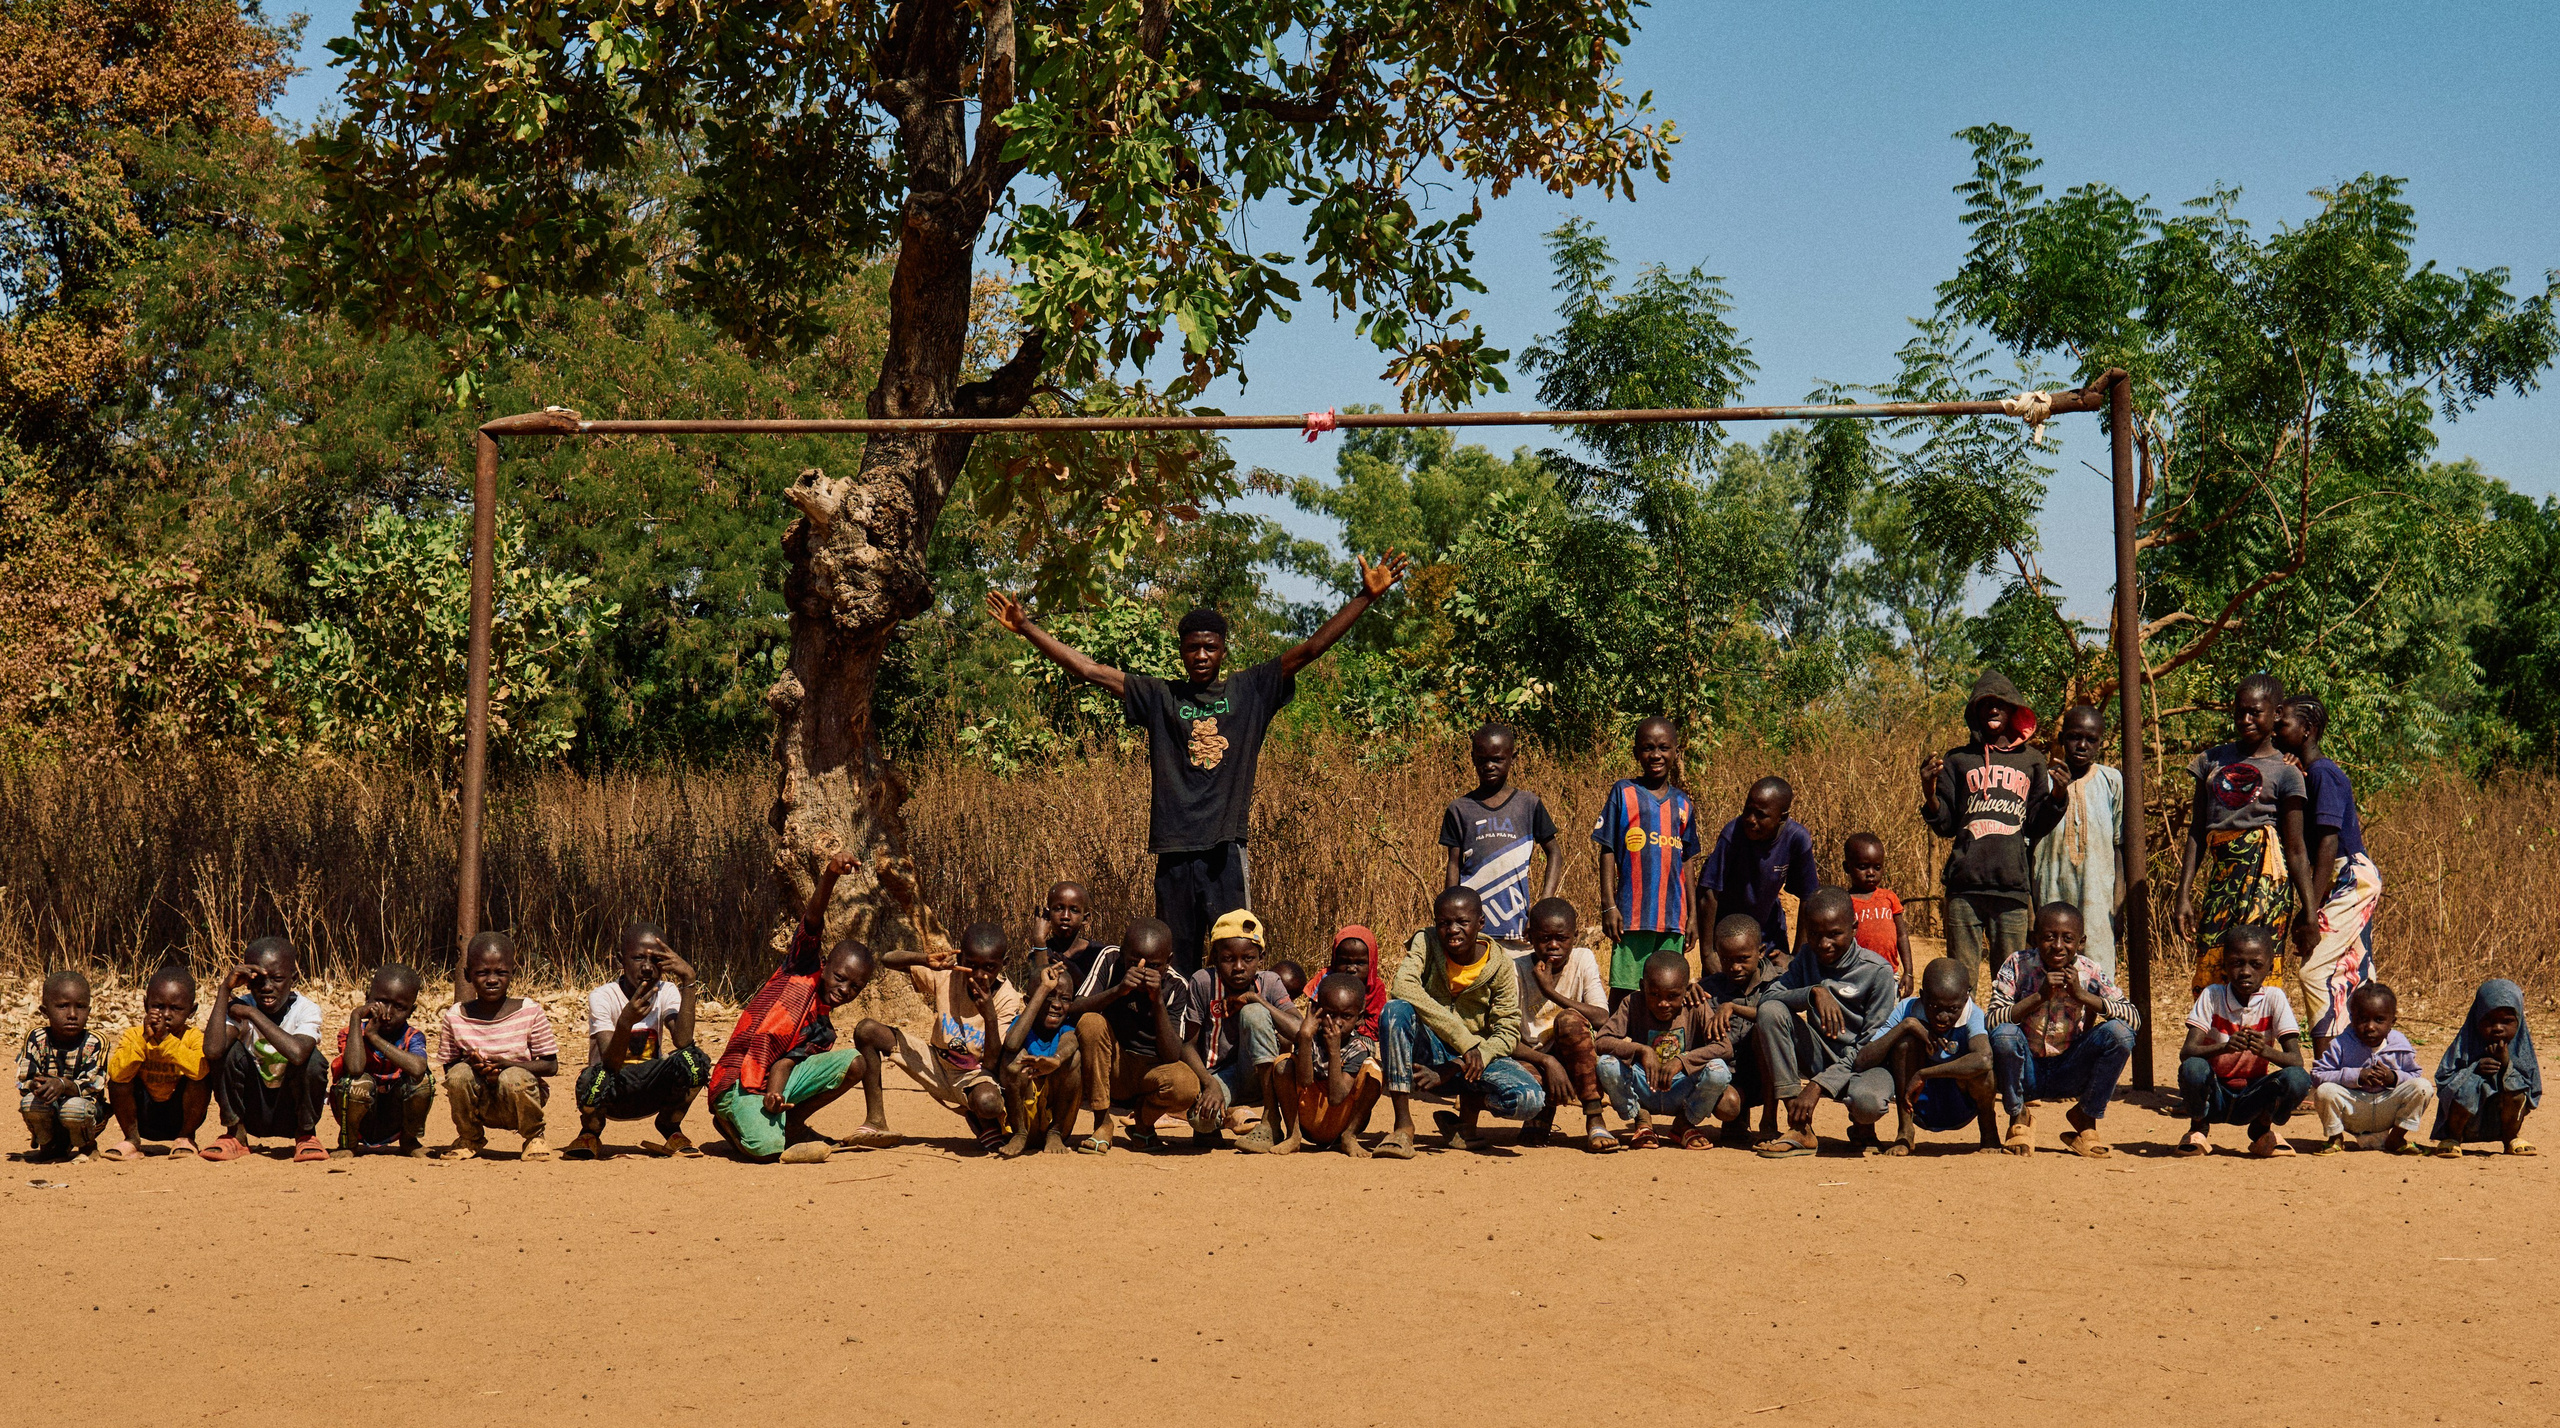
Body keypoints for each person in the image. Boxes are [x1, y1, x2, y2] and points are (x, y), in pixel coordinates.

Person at [986, 551, 1410, 976]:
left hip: (1224, 848)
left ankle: (1232, 1038)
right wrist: (1026, 627)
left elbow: (1311, 648)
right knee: (1175, 960)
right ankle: (1183, 1035)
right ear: (1182, 652)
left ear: (1224, 650)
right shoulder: (1161, 696)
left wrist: (1364, 598)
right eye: (1193, 648)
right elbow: (1092, 670)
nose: (1202, 655)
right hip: (1173, 849)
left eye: (1210, 646)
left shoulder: (1250, 691)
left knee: (1236, 953)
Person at [708, 850, 893, 1163]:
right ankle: (730, 1120)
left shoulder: (824, 1030)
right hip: (739, 1081)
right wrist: (831, 875)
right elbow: (812, 921)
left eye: (855, 987)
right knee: (767, 1150)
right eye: (840, 977)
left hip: (770, 1086)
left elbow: (785, 1064)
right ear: (825, 965)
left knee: (855, 1062)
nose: (844, 990)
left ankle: (791, 1124)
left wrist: (775, 1095)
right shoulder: (801, 969)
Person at [2173, 673, 2322, 991]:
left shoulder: (2286, 770)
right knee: (2213, 969)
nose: (2245, 719)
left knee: (2257, 976)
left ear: (2277, 714)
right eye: (2239, 711)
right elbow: (2197, 832)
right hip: (2222, 884)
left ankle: (2258, 1041)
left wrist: (2310, 911)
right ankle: (2214, 1040)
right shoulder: (2211, 761)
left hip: (2267, 888)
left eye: (2255, 712)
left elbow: (2296, 850)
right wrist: (2183, 894)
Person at [1920, 671, 2064, 988]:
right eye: (1986, 704)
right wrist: (1929, 792)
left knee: (2011, 984)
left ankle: (2004, 1038)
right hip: (1964, 889)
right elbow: (1944, 825)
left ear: (2014, 709)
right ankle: (1964, 1037)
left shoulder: (2033, 761)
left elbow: (2037, 822)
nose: (1994, 710)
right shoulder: (1957, 760)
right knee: (1960, 981)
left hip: (2011, 889)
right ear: (1975, 712)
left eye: (2001, 704)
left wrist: (2058, 796)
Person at [1380, 886, 1544, 1157]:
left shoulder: (1500, 963)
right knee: (1395, 1011)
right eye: (1444, 923)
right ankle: (1402, 1127)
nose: (1452, 929)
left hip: (1476, 1059)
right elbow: (1403, 986)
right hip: (1432, 1046)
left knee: (1529, 1100)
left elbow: (1507, 1030)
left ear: (1480, 923)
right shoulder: (1427, 941)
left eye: (1462, 922)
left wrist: (1462, 1060)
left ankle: (1463, 1123)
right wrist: (1463, 1040)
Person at [1755, 888, 1899, 1158]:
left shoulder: (1877, 972)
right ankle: (1799, 1126)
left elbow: (1870, 1046)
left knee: (1868, 1104)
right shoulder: (1807, 958)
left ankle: (1862, 1127)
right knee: (1771, 1011)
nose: (1824, 943)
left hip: (1865, 1064)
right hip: (1821, 1053)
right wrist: (1812, 993)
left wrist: (1816, 1085)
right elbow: (1768, 999)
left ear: (1854, 926)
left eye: (1834, 934)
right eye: (1816, 934)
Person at [1986, 903, 2138, 1158]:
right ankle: (2018, 1117)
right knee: (2003, 1035)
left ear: (2081, 942)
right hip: (2027, 1069)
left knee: (2120, 1034)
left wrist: (2082, 995)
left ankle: (2085, 1119)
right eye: (2049, 937)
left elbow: (2134, 1018)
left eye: (2067, 939)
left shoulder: (2090, 971)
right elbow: (1991, 1020)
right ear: (2035, 939)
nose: (2058, 946)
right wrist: (2039, 996)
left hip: (2070, 1069)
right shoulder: (2017, 964)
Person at [2277, 694, 2380, 1050]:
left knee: (2315, 970)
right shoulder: (2309, 772)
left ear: (2307, 730)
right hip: (2345, 876)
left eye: (2283, 723)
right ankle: (2363, 1062)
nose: (2275, 728)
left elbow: (2328, 845)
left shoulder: (2324, 773)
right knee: (2353, 971)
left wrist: (2310, 912)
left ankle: (2326, 1071)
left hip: (2349, 876)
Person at [566, 923, 709, 1160]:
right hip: (612, 1090)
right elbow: (610, 1062)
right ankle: (590, 1130)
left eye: (655, 960)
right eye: (638, 958)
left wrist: (689, 980)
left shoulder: (667, 991)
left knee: (694, 1060)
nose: (646, 967)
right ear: (620, 960)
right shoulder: (603, 996)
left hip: (651, 1087)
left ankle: (669, 1125)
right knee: (590, 1079)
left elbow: (683, 1040)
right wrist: (626, 1021)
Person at [879, 921, 1025, 1153]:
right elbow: (887, 959)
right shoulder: (947, 976)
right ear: (959, 959)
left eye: (989, 967)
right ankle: (875, 1120)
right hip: (935, 1063)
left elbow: (991, 1064)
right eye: (970, 965)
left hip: (974, 1075)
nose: (978, 974)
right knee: (868, 1031)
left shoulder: (1008, 998)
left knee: (988, 1103)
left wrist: (989, 1016)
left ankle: (978, 1116)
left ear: (1003, 965)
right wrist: (925, 959)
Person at [1069, 917, 1210, 1154]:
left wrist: (1158, 1003)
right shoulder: (1110, 960)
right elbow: (1075, 1009)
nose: (1142, 969)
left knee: (1186, 1085)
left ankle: (1143, 1125)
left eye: (1154, 965)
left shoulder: (1177, 986)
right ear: (1123, 952)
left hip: (1152, 1072)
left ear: (1169, 961)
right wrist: (1118, 990)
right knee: (1091, 1022)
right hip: (1113, 1064)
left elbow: (1172, 1054)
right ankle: (1102, 1121)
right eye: (1134, 962)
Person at [2176, 925, 2314, 1158]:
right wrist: (2225, 1047)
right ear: (2225, 965)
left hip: (2253, 1096)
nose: (2246, 971)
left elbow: (2295, 1060)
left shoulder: (2274, 998)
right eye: (2237, 963)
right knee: (2193, 1068)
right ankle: (2198, 1125)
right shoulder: (2212, 995)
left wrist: (2264, 1051)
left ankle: (2262, 1127)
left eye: (2256, 964)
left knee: (2298, 1078)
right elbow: (2187, 1052)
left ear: (2270, 967)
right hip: (2216, 1091)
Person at [1592, 717, 1701, 1007]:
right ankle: (1614, 1045)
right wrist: (1609, 904)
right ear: (1636, 752)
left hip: (1673, 917)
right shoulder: (1623, 793)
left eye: (1664, 747)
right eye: (1648, 748)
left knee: (1668, 991)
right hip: (1632, 915)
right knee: (1625, 989)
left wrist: (1692, 915)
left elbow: (1687, 860)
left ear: (1676, 752)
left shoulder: (1683, 803)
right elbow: (1607, 848)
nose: (1656, 755)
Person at [200, 936, 329, 1164]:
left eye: (278, 979)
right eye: (259, 980)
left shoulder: (306, 1010)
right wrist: (224, 990)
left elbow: (298, 1053)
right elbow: (212, 1051)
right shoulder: (238, 1005)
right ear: (247, 981)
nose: (268, 987)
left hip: (289, 1109)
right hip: (253, 1109)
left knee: (313, 1060)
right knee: (226, 1053)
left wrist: (252, 1014)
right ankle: (236, 1135)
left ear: (293, 979)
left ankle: (306, 1135)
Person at [1855, 957, 1999, 1155]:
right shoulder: (1907, 1009)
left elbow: (1984, 1059)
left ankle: (1989, 1133)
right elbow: (1862, 1060)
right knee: (1905, 1044)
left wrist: (1925, 1074)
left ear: (1966, 999)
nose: (1942, 1017)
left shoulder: (1972, 1014)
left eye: (1952, 1009)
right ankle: (1905, 1132)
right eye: (1934, 1007)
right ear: (1922, 996)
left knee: (1983, 1072)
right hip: (1917, 1103)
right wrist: (1907, 1025)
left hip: (1960, 1104)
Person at [1441, 722, 1565, 953]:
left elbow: (1554, 852)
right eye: (1482, 759)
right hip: (1472, 933)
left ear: (1513, 757)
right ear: (1473, 758)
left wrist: (1543, 905)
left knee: (1515, 988)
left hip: (1517, 929)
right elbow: (1454, 864)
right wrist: (1451, 918)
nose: (1489, 766)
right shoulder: (1459, 809)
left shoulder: (1528, 805)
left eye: (1497, 759)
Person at [438, 932, 561, 1161]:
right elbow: (449, 1068)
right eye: (482, 973)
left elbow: (551, 1065)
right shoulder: (455, 1016)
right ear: (467, 975)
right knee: (459, 1075)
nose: (492, 980)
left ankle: (534, 1137)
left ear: (513, 972)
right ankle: (469, 1138)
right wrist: (473, 1066)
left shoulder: (529, 1011)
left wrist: (508, 1066)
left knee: (513, 1076)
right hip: (480, 1100)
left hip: (520, 1100)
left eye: (501, 972)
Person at [1507, 897, 1615, 1152]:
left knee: (1568, 1020)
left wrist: (1550, 992)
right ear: (1530, 937)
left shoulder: (1582, 959)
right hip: (1534, 1056)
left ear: (1575, 937)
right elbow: (1507, 1036)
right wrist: (1547, 1062)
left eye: (1561, 938)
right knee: (1526, 1093)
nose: (1553, 945)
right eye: (1544, 938)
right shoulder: (1516, 969)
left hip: (1575, 1055)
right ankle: (1543, 1111)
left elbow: (1602, 1018)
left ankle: (1594, 1116)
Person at [1186, 909, 1298, 1151]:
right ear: (1215, 957)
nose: (1238, 967)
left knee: (1253, 1013)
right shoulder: (1203, 982)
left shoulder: (1270, 982)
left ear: (1261, 957)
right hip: (1220, 1076)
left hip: (1261, 1076)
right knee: (1201, 1120)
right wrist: (1209, 1084)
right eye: (1228, 959)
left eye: (1248, 959)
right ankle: (1220, 1121)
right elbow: (1187, 1044)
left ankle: (1270, 1118)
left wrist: (1256, 1000)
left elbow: (1300, 1030)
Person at [1593, 952, 1728, 1149]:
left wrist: (1683, 1060)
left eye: (1672, 996)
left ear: (1687, 991)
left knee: (1719, 1071)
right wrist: (1642, 1050)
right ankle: (1641, 1118)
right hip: (1644, 1085)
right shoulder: (1632, 1003)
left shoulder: (1695, 1007)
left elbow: (1724, 1047)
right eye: (1654, 994)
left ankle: (1684, 1123)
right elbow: (1602, 1041)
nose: (1663, 1003)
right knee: (1606, 1064)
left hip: (1682, 1087)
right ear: (1642, 987)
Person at [2032, 704, 2126, 981]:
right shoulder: (2042, 781)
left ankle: (2096, 1026)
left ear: (2101, 742)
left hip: (2098, 901)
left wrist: (2118, 905)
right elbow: (2028, 846)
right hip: (2050, 894)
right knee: (2050, 975)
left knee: (2098, 976)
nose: (2082, 745)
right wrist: (2029, 909)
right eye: (2074, 737)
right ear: (2062, 739)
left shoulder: (2112, 781)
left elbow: (2119, 845)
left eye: (2091, 739)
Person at [1697, 776, 1822, 967]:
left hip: (1769, 935)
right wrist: (1708, 955)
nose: (1750, 820)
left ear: (1782, 817)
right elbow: (1709, 893)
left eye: (1760, 815)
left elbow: (1809, 897)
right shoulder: (1732, 834)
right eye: (1747, 810)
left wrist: (1797, 957)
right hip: (1730, 938)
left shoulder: (1797, 839)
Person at [1261, 971, 1386, 1157]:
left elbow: (1336, 1098)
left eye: (1346, 1016)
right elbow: (1304, 1081)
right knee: (1282, 1063)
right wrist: (1304, 1038)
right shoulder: (1311, 1038)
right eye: (1330, 1014)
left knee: (1374, 1071)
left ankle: (1349, 1136)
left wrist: (1334, 1051)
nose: (1337, 1023)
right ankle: (1293, 1135)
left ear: (1359, 1017)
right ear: (1317, 1011)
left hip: (1340, 1118)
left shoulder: (1358, 1048)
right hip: (1307, 1119)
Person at [102, 964, 210, 1161]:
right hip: (144, 1115)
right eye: (158, 1006)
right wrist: (144, 1039)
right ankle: (131, 1140)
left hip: (178, 1115)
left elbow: (199, 1071)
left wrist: (167, 1039)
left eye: (176, 1008)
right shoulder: (134, 1035)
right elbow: (116, 1074)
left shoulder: (193, 1037)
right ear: (146, 1005)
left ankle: (186, 1138)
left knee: (200, 1078)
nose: (166, 1014)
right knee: (119, 1080)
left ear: (191, 1011)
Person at [2308, 983, 2429, 1155]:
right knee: (2325, 1091)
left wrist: (2393, 1077)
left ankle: (2396, 1138)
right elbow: (2318, 1076)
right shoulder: (2341, 1043)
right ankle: (2335, 1138)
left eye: (2379, 1020)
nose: (2370, 1027)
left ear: (2392, 1022)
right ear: (2352, 1019)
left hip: (2387, 1108)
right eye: (2363, 1019)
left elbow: (2414, 1075)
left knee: (2423, 1087)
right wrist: (2355, 1076)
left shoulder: (2399, 1043)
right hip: (2354, 1108)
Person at [330, 964, 435, 1157]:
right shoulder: (352, 1034)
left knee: (424, 1081)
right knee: (356, 1082)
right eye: (381, 1002)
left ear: (411, 1010)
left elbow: (419, 1068)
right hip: (362, 1115)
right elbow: (354, 1068)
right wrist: (355, 1017)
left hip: (394, 1115)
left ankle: (409, 1141)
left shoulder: (413, 1037)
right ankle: (348, 1144)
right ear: (368, 997)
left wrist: (374, 1037)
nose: (387, 1013)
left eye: (399, 1007)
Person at [1698, 915, 1784, 1146]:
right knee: (1728, 1106)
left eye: (1744, 959)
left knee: (1765, 1028)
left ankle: (1769, 1123)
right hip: (1731, 1075)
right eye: (1726, 959)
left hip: (1771, 1077)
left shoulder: (1779, 983)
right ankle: (1736, 1119)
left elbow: (1781, 1014)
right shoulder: (1708, 990)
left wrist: (1734, 1008)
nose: (1735, 967)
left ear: (1762, 951)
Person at [2430, 978, 2539, 1158]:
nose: (2497, 1028)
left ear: (2519, 1020)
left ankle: (2511, 1137)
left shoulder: (2521, 1048)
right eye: (2488, 1020)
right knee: (2466, 1088)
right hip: (2466, 1120)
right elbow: (2443, 1078)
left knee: (2518, 1090)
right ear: (2476, 1017)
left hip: (2501, 1117)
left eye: (2506, 1021)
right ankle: (2453, 1138)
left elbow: (2533, 1087)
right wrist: (2473, 1070)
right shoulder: (2465, 1043)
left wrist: (2506, 1065)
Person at [17, 971, 106, 1162]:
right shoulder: (36, 1038)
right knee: (30, 1103)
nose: (72, 1014)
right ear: (45, 1011)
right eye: (63, 1006)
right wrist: (36, 1085)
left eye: (80, 1007)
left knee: (74, 1108)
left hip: (84, 1108)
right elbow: (24, 1081)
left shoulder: (95, 1042)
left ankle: (86, 1146)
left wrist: (63, 1085)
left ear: (89, 1011)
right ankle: (49, 1146)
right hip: (51, 1106)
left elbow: (93, 1087)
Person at [996, 963, 1083, 1158]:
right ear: (1030, 1000)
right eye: (1049, 996)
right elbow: (1011, 1044)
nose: (1057, 1004)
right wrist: (1043, 989)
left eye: (1065, 999)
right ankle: (1019, 1132)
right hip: (1024, 1118)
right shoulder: (1023, 1023)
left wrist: (1056, 1060)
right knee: (1013, 1058)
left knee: (1074, 1058)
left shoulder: (1067, 1026)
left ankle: (1056, 1132)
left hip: (1053, 1115)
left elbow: (1071, 1041)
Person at [1842, 832, 1912, 994]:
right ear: (1847, 867)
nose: (1871, 872)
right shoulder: (1844, 903)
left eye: (1877, 867)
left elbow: (1902, 936)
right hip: (1855, 976)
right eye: (1863, 867)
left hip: (1888, 974)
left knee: (1887, 1016)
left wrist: (1908, 972)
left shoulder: (1889, 898)